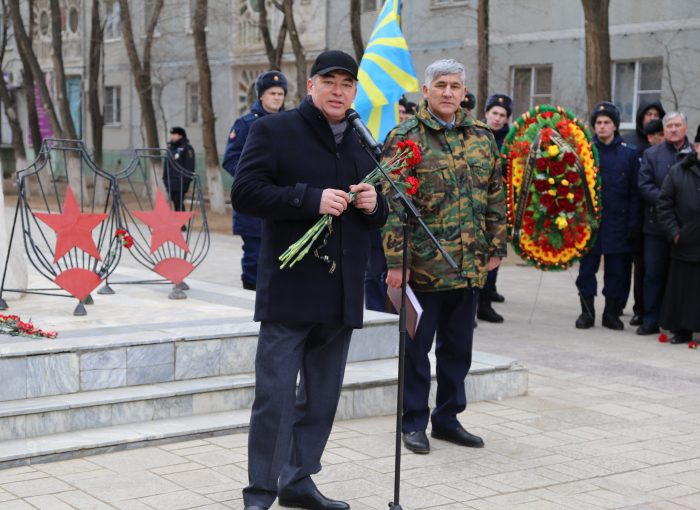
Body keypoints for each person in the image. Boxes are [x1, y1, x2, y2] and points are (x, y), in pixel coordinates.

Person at [231, 50, 387, 510]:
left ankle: (298, 481)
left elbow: (380, 217)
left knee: (320, 400)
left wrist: (374, 204)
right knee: (275, 399)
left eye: (347, 84)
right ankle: (260, 492)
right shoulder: (274, 130)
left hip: (339, 294)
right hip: (290, 290)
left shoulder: (363, 141)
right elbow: (245, 192)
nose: (339, 91)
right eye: (330, 82)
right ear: (311, 87)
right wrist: (309, 198)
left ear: (355, 92)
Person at [382, 59, 506, 455]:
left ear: (464, 91)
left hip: (468, 267)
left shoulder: (482, 137)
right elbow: (392, 204)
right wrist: (395, 261)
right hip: (423, 268)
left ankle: (448, 419)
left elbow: (495, 196)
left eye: (455, 85)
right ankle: (413, 421)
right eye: (441, 85)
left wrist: (496, 247)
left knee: (458, 351)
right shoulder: (406, 137)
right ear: (426, 90)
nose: (449, 92)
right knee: (417, 353)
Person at [574, 102, 641, 330]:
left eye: (607, 122)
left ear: (615, 126)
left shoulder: (629, 154)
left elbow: (635, 193)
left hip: (618, 223)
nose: (602, 127)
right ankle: (587, 312)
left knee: (616, 272)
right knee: (586, 271)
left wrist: (633, 223)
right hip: (590, 224)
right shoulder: (584, 152)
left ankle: (611, 314)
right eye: (598, 123)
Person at [223, 71, 288, 291]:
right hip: (254, 204)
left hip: (283, 201)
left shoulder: (290, 123)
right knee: (254, 256)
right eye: (272, 93)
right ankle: (250, 299)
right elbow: (231, 159)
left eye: (280, 93)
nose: (277, 98)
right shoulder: (245, 124)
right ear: (261, 95)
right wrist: (255, 179)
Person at [637, 111, 695, 335]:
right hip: (656, 227)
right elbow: (644, 185)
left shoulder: (694, 154)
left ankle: (679, 322)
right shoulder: (652, 154)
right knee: (654, 274)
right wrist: (668, 199)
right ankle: (651, 318)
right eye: (669, 125)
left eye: (677, 125)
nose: (673, 129)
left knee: (682, 278)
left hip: (687, 229)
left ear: (686, 128)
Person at [622, 102, 665, 327]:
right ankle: (630, 306)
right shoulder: (630, 141)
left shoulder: (665, 145)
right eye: (648, 114)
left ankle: (647, 308)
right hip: (634, 211)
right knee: (633, 265)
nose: (651, 117)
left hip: (655, 216)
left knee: (649, 266)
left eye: (656, 115)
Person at [657, 124, 700, 344]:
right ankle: (682, 330)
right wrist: (675, 233)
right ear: (697, 146)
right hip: (685, 240)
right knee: (683, 289)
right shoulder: (679, 170)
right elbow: (664, 205)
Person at [478, 93, 513, 323]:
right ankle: (478, 301)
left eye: (503, 115)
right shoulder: (476, 135)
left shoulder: (511, 142)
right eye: (494, 113)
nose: (498, 118)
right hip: (479, 203)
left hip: (501, 204)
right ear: (486, 114)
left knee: (496, 251)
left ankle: (486, 298)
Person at [163, 126, 195, 213]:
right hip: (171, 182)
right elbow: (166, 165)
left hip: (180, 182)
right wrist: (165, 179)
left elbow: (190, 166)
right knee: (176, 204)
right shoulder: (170, 148)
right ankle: (179, 225)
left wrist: (186, 181)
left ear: (181, 136)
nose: (173, 136)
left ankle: (181, 225)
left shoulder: (187, 148)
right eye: (172, 134)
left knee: (179, 204)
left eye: (175, 134)